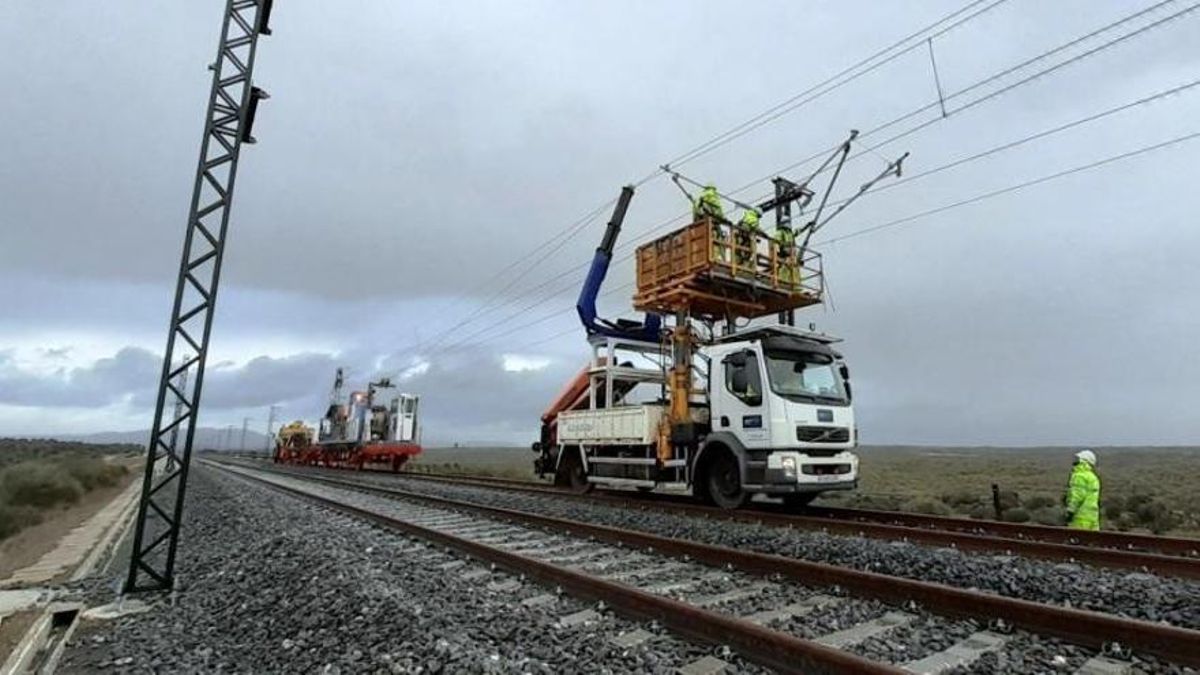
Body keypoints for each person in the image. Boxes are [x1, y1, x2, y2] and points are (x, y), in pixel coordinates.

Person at [1063, 449, 1101, 530]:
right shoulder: (1093, 477)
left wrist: (1070, 512)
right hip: (1093, 517)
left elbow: (1077, 496)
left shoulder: (1079, 476)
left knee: (1076, 540)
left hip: (1080, 517)